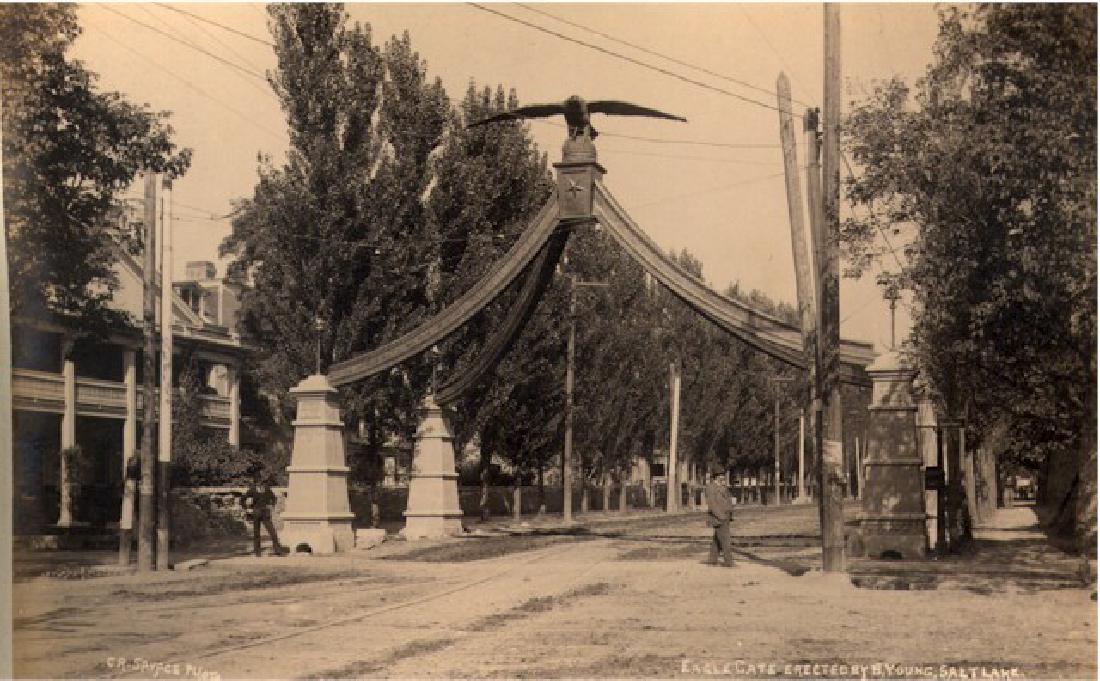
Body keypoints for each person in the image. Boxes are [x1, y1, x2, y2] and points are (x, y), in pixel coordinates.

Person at [243, 473, 287, 557]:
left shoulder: (267, 489)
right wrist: (246, 509)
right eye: (258, 482)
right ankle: (257, 551)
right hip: (256, 512)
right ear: (256, 482)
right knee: (256, 533)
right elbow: (243, 498)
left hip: (265, 513)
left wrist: (272, 506)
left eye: (261, 481)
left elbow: (274, 498)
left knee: (272, 532)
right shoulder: (252, 490)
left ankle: (278, 550)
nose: (260, 483)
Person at [704, 472, 734, 567]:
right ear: (716, 477)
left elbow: (728, 499)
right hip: (719, 518)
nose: (723, 478)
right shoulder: (711, 487)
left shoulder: (722, 487)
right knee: (725, 539)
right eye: (721, 476)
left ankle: (712, 560)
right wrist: (720, 516)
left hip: (725, 516)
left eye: (723, 476)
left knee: (717, 539)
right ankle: (728, 562)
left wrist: (724, 488)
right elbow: (712, 504)